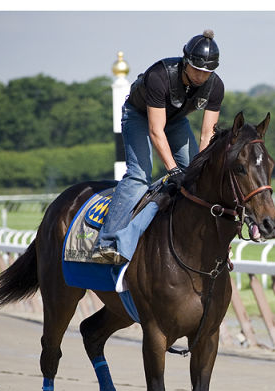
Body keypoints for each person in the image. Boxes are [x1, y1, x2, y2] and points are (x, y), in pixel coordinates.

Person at [92, 29, 225, 264]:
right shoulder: (159, 75)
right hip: (139, 116)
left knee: (196, 178)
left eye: (207, 72)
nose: (200, 77)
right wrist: (173, 171)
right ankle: (106, 242)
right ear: (185, 61)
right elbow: (156, 130)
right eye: (196, 69)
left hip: (176, 121)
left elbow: (207, 135)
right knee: (139, 175)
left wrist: (198, 169)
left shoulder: (215, 86)